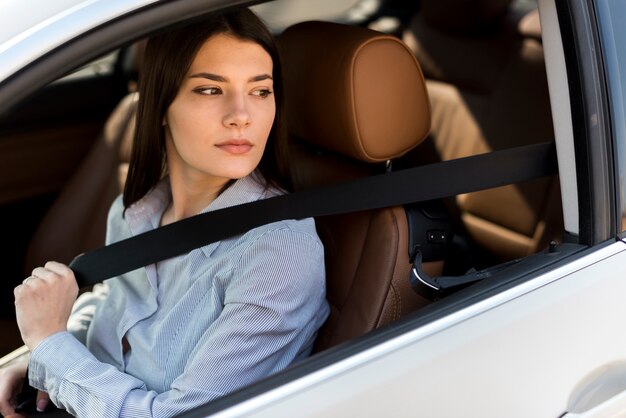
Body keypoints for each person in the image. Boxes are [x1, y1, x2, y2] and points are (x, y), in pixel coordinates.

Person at [0, 8, 329, 418]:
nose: (241, 115)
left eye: (260, 91)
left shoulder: (278, 253)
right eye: (211, 90)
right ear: (159, 106)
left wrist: (52, 345)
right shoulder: (134, 211)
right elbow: (111, 304)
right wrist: (42, 359)